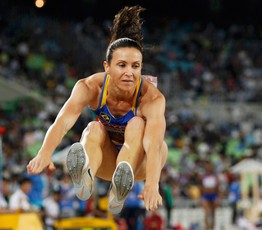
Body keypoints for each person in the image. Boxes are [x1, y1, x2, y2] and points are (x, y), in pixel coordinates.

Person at [27, 5, 168, 215]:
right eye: (122, 65)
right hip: (108, 160)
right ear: (107, 67)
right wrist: (45, 153)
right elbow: (63, 121)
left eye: (136, 66)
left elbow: (154, 144)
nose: (130, 73)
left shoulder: (152, 98)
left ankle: (121, 186)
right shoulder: (89, 87)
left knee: (137, 124)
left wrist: (152, 184)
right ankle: (85, 178)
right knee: (92, 128)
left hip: (142, 163)